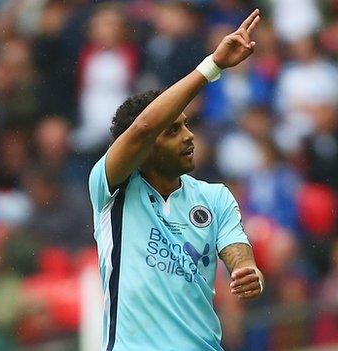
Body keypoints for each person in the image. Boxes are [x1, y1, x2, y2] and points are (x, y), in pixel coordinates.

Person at [88, 10, 265, 351]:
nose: (189, 136)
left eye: (186, 125)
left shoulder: (215, 198)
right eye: (172, 130)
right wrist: (211, 66)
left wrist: (248, 270)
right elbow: (141, 128)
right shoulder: (112, 188)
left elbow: (236, 251)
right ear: (145, 147)